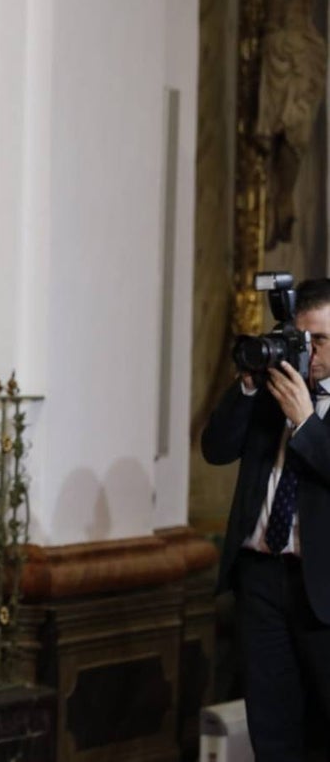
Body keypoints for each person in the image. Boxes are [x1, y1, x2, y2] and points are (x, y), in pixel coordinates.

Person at [201, 278, 330, 759]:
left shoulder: (300, 404)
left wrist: (307, 423)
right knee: (272, 732)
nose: (308, 352)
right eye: (301, 338)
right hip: (259, 580)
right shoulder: (273, 389)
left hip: (322, 590)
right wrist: (248, 387)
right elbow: (216, 449)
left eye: (320, 340)